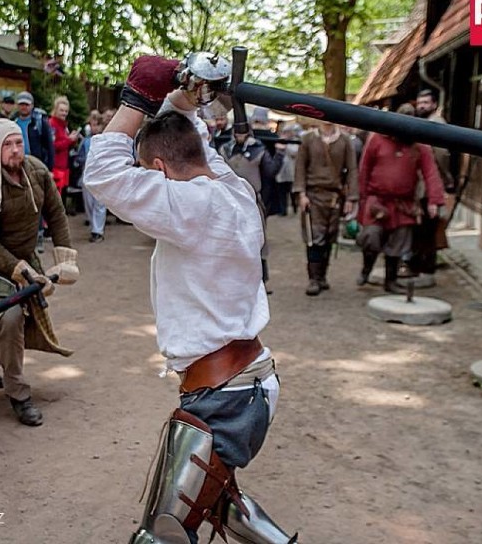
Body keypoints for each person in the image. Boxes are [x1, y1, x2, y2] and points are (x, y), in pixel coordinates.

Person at [84, 54, 297, 544]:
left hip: (223, 398)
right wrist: (185, 103)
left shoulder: (190, 203)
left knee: (158, 536)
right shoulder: (235, 191)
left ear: (158, 167)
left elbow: (103, 174)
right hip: (247, 384)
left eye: (150, 173)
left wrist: (137, 98)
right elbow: (200, 151)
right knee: (224, 505)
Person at [0, 118, 79, 426]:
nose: (14, 151)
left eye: (18, 143)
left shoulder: (36, 171)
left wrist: (65, 258)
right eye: (7, 145)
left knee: (20, 314)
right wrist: (19, 269)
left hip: (22, 258)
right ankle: (19, 394)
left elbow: (56, 213)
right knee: (9, 314)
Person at [355, 103, 445, 293]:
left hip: (404, 203)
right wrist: (360, 199)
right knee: (371, 236)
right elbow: (364, 170)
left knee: (399, 242)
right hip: (377, 199)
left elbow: (430, 172)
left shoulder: (419, 145)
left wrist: (434, 200)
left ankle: (391, 281)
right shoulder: (377, 139)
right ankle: (366, 268)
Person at [293, 119, 358, 296]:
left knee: (330, 236)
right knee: (314, 237)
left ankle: (322, 276)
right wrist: (301, 193)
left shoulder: (345, 141)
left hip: (335, 196)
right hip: (313, 195)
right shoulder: (308, 139)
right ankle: (313, 279)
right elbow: (300, 166)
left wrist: (351, 198)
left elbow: (352, 169)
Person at [218, 119, 276, 293]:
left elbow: (270, 173)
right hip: (229, 201)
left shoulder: (259, 150)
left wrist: (279, 154)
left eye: (243, 132)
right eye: (237, 132)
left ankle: (261, 281)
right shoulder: (224, 150)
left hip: (252, 201)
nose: (240, 135)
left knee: (257, 240)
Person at [406, 89, 455, 277]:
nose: (422, 106)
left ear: (434, 104)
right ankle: (420, 263)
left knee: (427, 227)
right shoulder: (423, 123)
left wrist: (441, 182)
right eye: (419, 103)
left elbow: (441, 156)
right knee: (421, 227)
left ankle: (425, 266)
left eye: (425, 102)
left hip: (430, 184)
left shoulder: (436, 125)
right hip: (423, 183)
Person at [13, 91, 55, 251]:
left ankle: (38, 237)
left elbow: (49, 146)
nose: (24, 107)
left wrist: (49, 168)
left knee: (36, 200)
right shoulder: (13, 122)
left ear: (31, 105)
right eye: (21, 104)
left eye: (26, 104)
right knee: (20, 201)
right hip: (17, 165)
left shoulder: (39, 122)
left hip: (36, 166)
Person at [78, 114, 107, 242]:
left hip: (101, 173)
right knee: (88, 202)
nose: (94, 127)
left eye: (97, 125)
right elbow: (79, 156)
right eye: (92, 125)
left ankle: (98, 231)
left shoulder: (105, 140)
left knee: (100, 202)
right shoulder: (86, 141)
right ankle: (93, 225)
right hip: (87, 172)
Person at [47, 95, 80, 205]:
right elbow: (52, 146)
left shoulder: (64, 126)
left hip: (64, 167)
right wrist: (69, 140)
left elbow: (66, 145)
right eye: (61, 110)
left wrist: (73, 140)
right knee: (54, 199)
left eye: (66, 111)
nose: (64, 113)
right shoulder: (51, 124)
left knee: (61, 198)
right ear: (55, 110)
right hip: (55, 167)